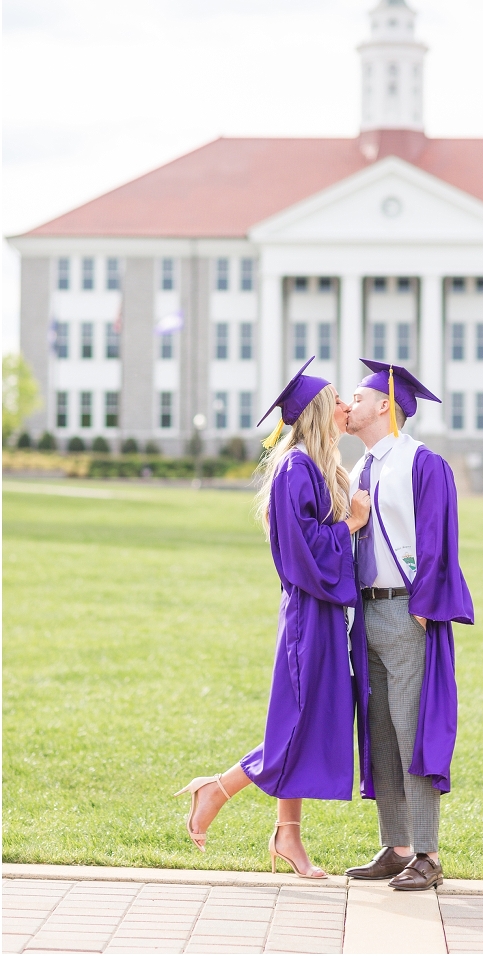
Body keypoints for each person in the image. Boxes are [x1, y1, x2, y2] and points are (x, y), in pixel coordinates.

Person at [175, 357, 371, 879]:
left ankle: (288, 837)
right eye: (339, 401)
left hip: (324, 611)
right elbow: (303, 550)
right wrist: (351, 524)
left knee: (309, 722)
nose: (348, 406)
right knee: (299, 723)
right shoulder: (294, 470)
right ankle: (217, 789)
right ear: (317, 413)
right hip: (309, 612)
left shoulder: (321, 467)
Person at [344, 360, 474, 891]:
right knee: (379, 731)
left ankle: (428, 852)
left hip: (405, 610)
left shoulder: (422, 463)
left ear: (383, 404)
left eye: (355, 397)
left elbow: (440, 538)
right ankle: (396, 846)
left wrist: (423, 606)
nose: (346, 406)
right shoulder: (358, 469)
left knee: (411, 730)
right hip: (365, 612)